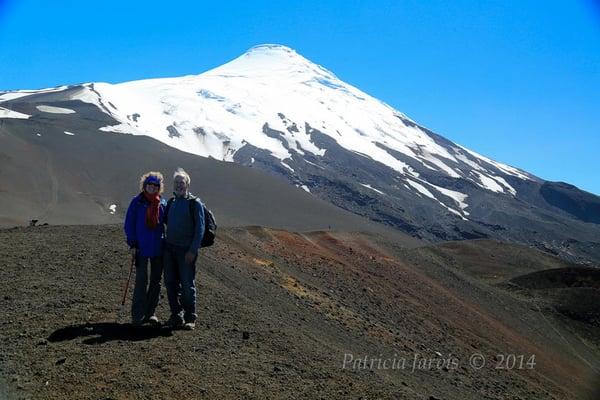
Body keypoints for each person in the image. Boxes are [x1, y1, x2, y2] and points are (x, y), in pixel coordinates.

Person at [163, 168, 205, 330]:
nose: (179, 185)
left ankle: (190, 317)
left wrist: (192, 250)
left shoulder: (195, 204)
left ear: (187, 185)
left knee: (187, 284)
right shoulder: (171, 202)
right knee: (170, 282)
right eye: (177, 183)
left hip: (186, 251)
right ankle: (176, 315)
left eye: (182, 182)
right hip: (170, 249)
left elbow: (199, 229)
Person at [124, 172, 166, 326]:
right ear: (144, 185)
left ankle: (150, 313)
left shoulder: (162, 203)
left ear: (159, 187)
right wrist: (132, 243)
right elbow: (129, 224)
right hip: (141, 247)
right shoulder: (137, 202)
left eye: (155, 185)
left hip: (158, 248)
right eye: (150, 184)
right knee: (141, 281)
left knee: (156, 281)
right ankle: (137, 315)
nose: (152, 187)